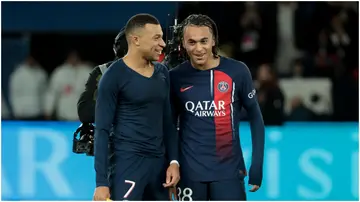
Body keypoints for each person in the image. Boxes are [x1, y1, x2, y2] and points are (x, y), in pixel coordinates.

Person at [169, 14, 265, 200]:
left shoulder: (237, 71)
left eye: (204, 41)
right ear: (183, 43)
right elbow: (170, 126)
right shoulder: (175, 77)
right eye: (192, 42)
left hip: (228, 173)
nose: (198, 48)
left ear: (214, 41)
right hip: (189, 175)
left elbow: (255, 117)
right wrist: (172, 163)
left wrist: (257, 165)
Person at [93, 13, 180, 201]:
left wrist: (174, 162)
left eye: (162, 37)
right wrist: (101, 183)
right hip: (127, 165)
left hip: (159, 168)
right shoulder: (113, 77)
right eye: (156, 38)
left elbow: (168, 123)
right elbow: (101, 130)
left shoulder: (162, 72)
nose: (163, 44)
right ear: (136, 40)